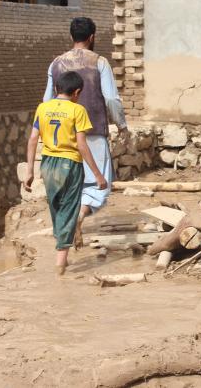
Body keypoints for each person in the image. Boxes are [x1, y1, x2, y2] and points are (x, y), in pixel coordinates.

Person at [43, 17, 128, 248]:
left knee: (71, 184)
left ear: (71, 37)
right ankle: (79, 217)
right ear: (92, 37)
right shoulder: (99, 62)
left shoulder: (56, 64)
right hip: (93, 131)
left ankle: (66, 226)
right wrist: (121, 125)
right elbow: (111, 98)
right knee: (97, 183)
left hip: (62, 136)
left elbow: (47, 100)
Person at [24, 71, 107, 275]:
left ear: (55, 89)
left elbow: (33, 139)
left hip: (47, 164)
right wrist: (98, 174)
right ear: (77, 92)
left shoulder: (43, 108)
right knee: (69, 211)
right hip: (69, 165)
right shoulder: (77, 110)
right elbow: (81, 145)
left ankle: (63, 253)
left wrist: (29, 171)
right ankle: (60, 265)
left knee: (56, 208)